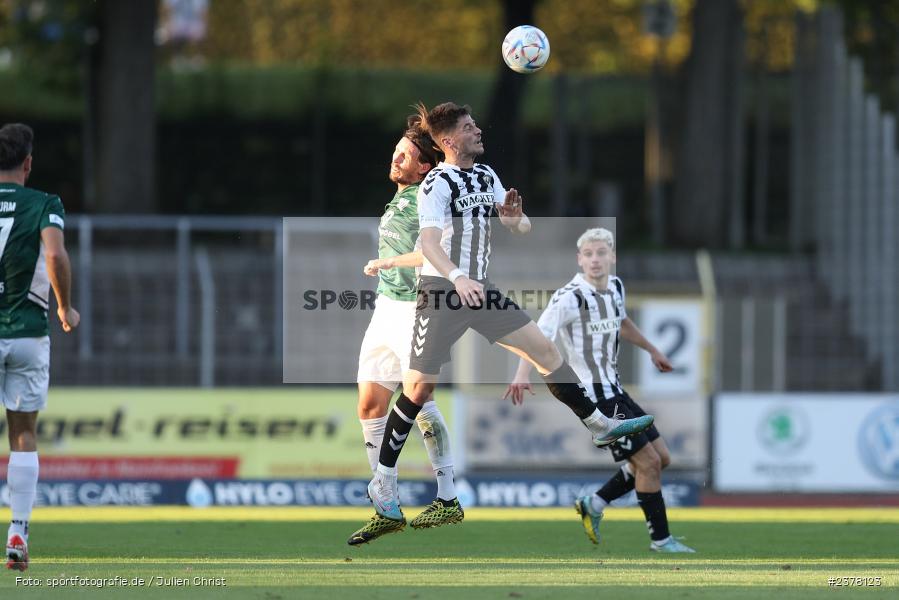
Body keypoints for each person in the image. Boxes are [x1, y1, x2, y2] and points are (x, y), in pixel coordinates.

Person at [366, 102, 654, 524]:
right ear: (448, 142)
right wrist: (458, 277)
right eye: (468, 127)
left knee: (546, 352)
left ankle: (598, 424)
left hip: (479, 292)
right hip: (443, 292)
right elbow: (428, 244)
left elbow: (520, 226)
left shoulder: (486, 175)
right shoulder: (437, 184)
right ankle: (384, 480)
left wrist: (515, 219)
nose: (477, 130)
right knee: (417, 391)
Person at [505, 227, 695, 553]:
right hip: (595, 399)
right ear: (579, 259)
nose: (595, 260)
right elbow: (538, 338)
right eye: (588, 254)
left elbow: (622, 322)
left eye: (601, 253)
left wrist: (653, 349)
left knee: (661, 458)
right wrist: (522, 374)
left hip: (616, 389)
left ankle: (594, 503)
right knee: (647, 464)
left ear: (612, 257)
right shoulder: (569, 297)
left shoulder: (616, 287)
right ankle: (661, 541)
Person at [348, 117, 463, 545]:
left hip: (417, 308)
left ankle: (447, 495)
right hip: (385, 307)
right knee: (370, 404)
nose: (396, 157)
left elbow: (437, 253)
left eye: (406, 154)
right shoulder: (401, 198)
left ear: (424, 168)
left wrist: (391, 263)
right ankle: (388, 504)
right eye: (396, 149)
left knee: (419, 398)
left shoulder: (426, 199)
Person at [0, 123, 80, 571]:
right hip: (28, 333)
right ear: (28, 163)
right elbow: (54, 255)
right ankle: (17, 533)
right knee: (23, 434)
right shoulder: (45, 204)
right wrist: (66, 307)